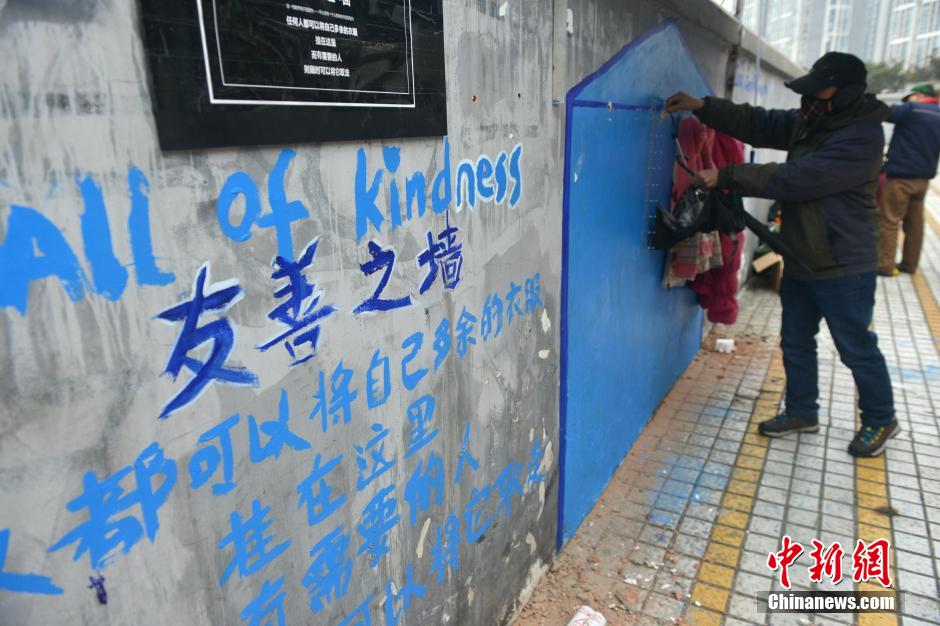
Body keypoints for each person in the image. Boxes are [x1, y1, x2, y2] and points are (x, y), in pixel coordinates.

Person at [665, 52, 899, 458]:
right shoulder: (817, 120)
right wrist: (704, 107)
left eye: (819, 92)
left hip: (843, 264)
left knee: (855, 347)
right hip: (801, 254)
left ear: (846, 93)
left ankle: (881, 418)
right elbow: (762, 123)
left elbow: (800, 177)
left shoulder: (861, 138)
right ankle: (802, 411)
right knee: (795, 341)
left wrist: (728, 175)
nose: (809, 100)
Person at [878, 82, 940, 276]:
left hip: (900, 177)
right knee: (915, 224)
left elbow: (883, 112)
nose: (907, 101)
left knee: (889, 220)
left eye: (909, 97)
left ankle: (885, 265)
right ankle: (909, 265)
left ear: (920, 96)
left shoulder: (912, 109)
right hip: (923, 180)